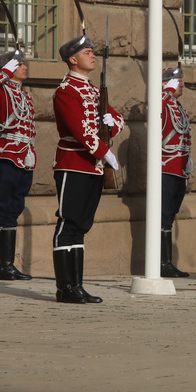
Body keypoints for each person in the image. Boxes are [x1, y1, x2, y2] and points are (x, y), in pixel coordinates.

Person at [52, 34, 124, 303]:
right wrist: (105, 152)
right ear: (73, 59)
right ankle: (65, 287)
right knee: (68, 223)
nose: (93, 56)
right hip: (74, 164)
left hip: (92, 166)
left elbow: (118, 119)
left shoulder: (93, 91)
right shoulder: (67, 91)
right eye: (87, 53)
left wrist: (110, 125)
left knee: (81, 226)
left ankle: (77, 286)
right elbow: (79, 130)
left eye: (93, 52)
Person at [0, 48, 35, 280]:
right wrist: (3, 72)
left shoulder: (24, 94)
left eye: (23, 63)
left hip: (24, 156)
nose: (24, 66)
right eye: (19, 64)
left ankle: (8, 264)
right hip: (6, 154)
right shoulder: (1, 91)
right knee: (1, 206)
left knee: (14, 208)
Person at [160, 66, 192, 278]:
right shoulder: (163, 101)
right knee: (162, 215)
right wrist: (166, 91)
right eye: (177, 80)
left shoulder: (177, 106)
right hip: (165, 166)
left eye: (180, 81)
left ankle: (166, 262)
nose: (181, 84)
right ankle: (161, 262)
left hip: (178, 167)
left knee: (169, 215)